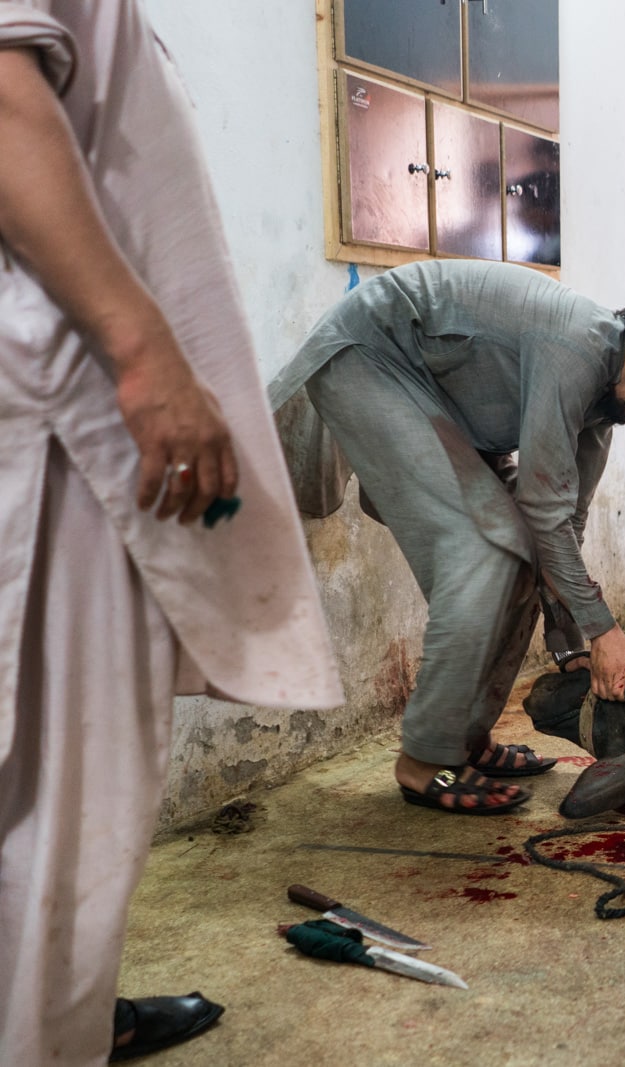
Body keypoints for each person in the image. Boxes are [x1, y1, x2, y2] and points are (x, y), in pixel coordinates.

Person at [0, 2, 343, 1063]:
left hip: (68, 399)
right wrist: (146, 356)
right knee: (59, 813)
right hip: (65, 413)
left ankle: (67, 1016)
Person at [275, 260, 625, 813]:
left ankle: (464, 737)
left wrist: (572, 644)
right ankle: (424, 759)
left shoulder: (607, 405)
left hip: (431, 399)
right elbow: (544, 509)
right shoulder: (576, 347)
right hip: (372, 358)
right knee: (484, 552)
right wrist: (604, 632)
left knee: (521, 556)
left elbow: (565, 523)